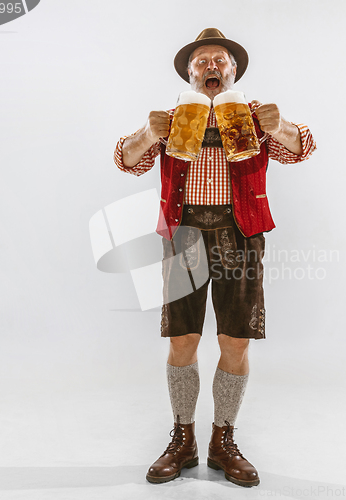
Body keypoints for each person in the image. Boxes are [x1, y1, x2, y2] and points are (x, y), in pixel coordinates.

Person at [113, 28, 316, 488]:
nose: (210, 66)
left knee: (235, 341)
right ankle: (183, 437)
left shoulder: (253, 115)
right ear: (189, 74)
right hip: (183, 236)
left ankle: (222, 439)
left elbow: (301, 147)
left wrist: (277, 125)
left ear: (233, 72)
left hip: (240, 235)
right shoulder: (172, 118)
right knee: (182, 339)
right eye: (201, 61)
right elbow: (126, 160)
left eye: (219, 60)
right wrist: (149, 132)